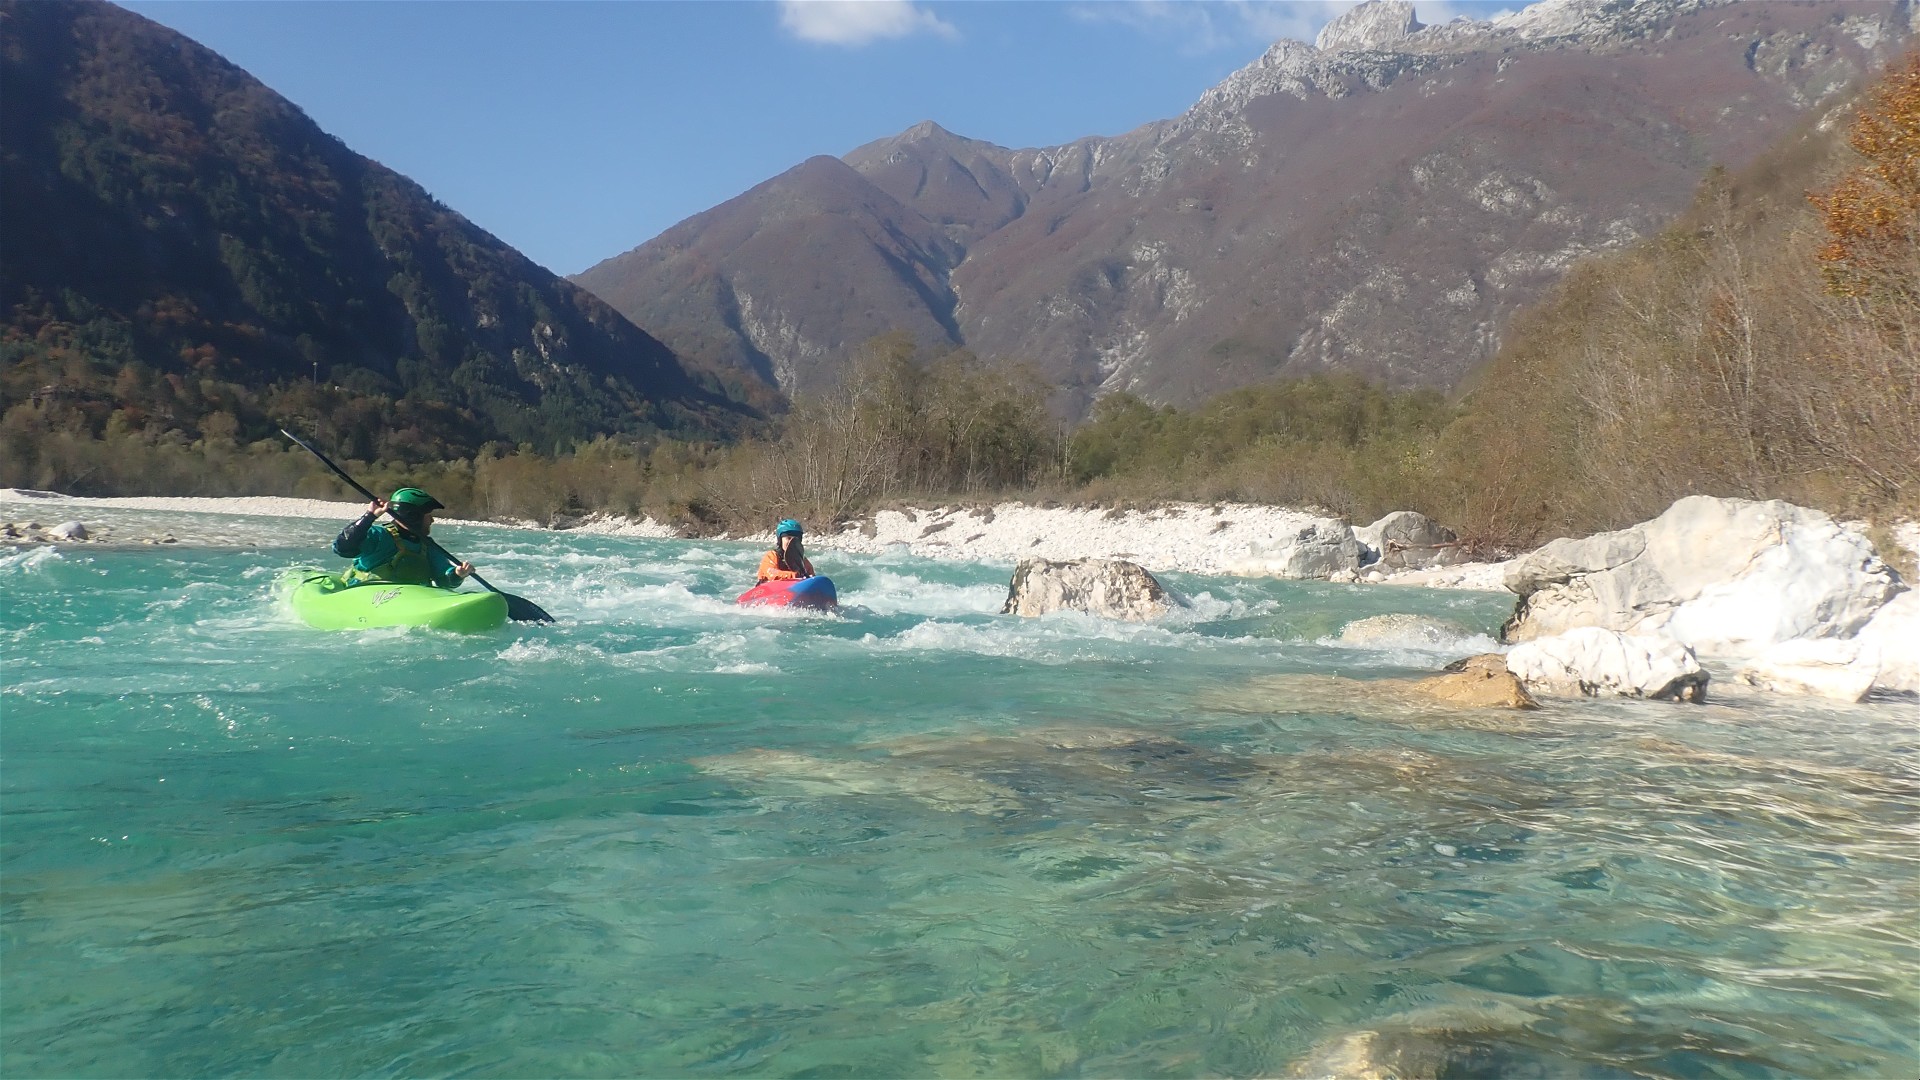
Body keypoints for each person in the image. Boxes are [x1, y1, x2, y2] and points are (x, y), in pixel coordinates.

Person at [331, 487, 474, 588]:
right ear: (413, 517)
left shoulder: (428, 546)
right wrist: (370, 516)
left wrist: (457, 574)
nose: (432, 520)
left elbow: (443, 579)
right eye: (428, 516)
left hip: (408, 597)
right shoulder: (379, 535)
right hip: (367, 593)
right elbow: (342, 548)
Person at [756, 519, 815, 583]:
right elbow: (772, 575)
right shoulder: (771, 556)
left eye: (795, 539)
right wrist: (795, 575)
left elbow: (811, 578)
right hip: (769, 589)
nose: (791, 542)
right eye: (788, 538)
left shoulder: (802, 560)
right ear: (780, 540)